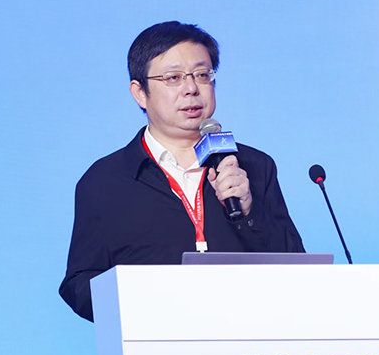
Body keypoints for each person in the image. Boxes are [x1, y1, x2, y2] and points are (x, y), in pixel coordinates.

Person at [60, 21, 304, 321]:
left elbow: (299, 270)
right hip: (154, 342)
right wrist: (146, 302)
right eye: (173, 78)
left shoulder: (254, 166)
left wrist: (250, 212)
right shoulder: (105, 181)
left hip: (247, 338)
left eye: (202, 75)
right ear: (140, 92)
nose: (191, 89)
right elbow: (79, 285)